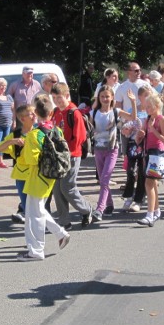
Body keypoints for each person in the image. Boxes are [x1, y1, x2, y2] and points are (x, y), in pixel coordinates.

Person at [17, 94, 71, 261]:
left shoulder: (34, 135)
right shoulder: (56, 129)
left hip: (37, 177)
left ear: (36, 113)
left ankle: (36, 250)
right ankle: (60, 234)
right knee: (38, 210)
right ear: (51, 112)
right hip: (51, 175)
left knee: (34, 215)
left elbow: (31, 160)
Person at [51, 83, 94, 228]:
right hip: (58, 156)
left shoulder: (74, 112)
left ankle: (86, 209)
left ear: (67, 95)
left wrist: (67, 152)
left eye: (59, 97)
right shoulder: (55, 111)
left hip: (71, 155)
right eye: (54, 98)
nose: (57, 101)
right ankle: (64, 221)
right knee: (57, 188)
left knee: (67, 187)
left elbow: (80, 137)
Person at [90, 86, 136, 221]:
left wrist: (133, 102)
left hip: (112, 149)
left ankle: (99, 209)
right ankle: (109, 205)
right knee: (103, 181)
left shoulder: (116, 111)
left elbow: (132, 117)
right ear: (99, 98)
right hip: (98, 149)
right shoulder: (94, 113)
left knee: (104, 179)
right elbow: (90, 130)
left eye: (107, 96)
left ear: (112, 98)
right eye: (102, 96)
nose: (105, 99)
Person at [0, 105, 36, 224]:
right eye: (31, 114)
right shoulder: (16, 135)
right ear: (23, 119)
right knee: (26, 203)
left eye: (35, 113)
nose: (35, 116)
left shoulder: (39, 132)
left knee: (37, 206)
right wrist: (12, 141)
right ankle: (26, 218)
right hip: (21, 174)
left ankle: (35, 223)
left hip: (36, 173)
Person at [137, 94, 164, 227]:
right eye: (146, 106)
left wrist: (152, 129)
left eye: (149, 106)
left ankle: (150, 215)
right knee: (152, 183)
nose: (147, 108)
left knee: (148, 183)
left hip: (158, 153)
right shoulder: (148, 119)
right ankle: (156, 210)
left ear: (156, 106)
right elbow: (140, 138)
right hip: (148, 152)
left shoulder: (161, 119)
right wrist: (140, 135)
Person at [120, 85, 151, 213]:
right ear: (140, 97)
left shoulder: (151, 111)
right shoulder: (132, 110)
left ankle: (139, 200)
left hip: (145, 144)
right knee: (131, 171)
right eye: (146, 96)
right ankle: (128, 197)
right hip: (133, 144)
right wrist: (126, 130)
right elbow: (126, 126)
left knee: (142, 173)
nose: (149, 99)